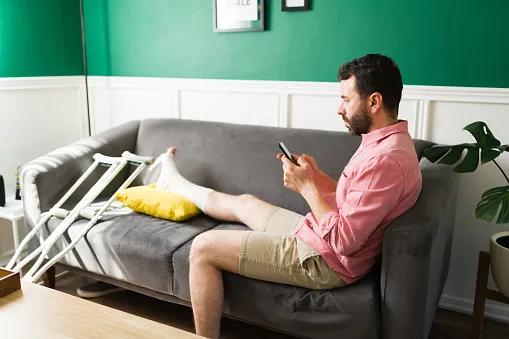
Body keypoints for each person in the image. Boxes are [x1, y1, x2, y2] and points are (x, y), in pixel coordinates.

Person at [80, 53, 422, 339]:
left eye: (346, 99)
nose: (340, 108)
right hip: (318, 236)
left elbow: (346, 239)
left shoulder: (385, 159)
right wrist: (317, 179)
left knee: (202, 248)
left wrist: (306, 189)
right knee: (245, 202)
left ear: (374, 101)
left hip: (324, 260)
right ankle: (174, 184)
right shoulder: (386, 143)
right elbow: (354, 201)